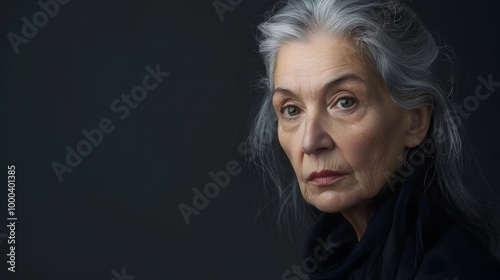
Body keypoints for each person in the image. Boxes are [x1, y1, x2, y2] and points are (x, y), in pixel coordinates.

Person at [247, 0, 500, 278]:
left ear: (414, 121)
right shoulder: (335, 257)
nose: (310, 141)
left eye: (344, 102)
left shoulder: (455, 270)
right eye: (291, 109)